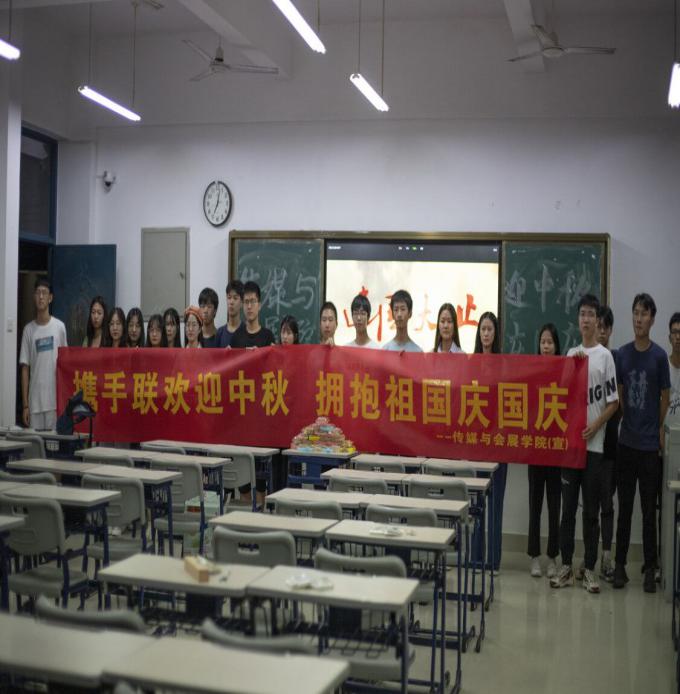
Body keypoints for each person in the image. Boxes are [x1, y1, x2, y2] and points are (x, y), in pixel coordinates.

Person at [550, 294, 619, 594]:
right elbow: (561, 395)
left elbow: (614, 403)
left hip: (595, 448)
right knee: (567, 511)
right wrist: (572, 367)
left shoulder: (605, 357)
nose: (586, 319)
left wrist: (596, 425)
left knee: (591, 511)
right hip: (571, 448)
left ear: (597, 320)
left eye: (591, 314)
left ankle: (589, 569)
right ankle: (566, 566)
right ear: (578, 320)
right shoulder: (571, 353)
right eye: (582, 314)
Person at [613, 293, 670, 592]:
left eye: (644, 314)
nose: (639, 319)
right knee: (624, 509)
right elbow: (620, 393)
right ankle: (620, 566)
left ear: (652, 319)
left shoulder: (659, 356)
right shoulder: (622, 354)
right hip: (626, 443)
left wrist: (655, 426)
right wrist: (631, 420)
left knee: (649, 511)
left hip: (649, 447)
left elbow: (665, 397)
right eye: (635, 312)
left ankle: (650, 567)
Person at [527, 323, 562, 578]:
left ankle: (552, 557)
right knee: (535, 504)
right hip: (535, 449)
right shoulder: (531, 370)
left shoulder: (564, 370)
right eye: (543, 342)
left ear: (556, 345)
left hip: (557, 450)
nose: (546, 346)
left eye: (550, 342)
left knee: (554, 506)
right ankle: (534, 556)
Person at [473, 311, 504, 570]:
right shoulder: (469, 363)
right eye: (482, 329)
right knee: (476, 502)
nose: (486, 333)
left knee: (496, 502)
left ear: (495, 333)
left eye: (490, 329)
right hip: (476, 443)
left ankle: (493, 560)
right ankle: (475, 557)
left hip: (500, 443)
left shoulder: (505, 365)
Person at [19, 279, 67, 430]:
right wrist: (25, 405)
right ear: (34, 297)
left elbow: (65, 365)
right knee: (36, 443)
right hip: (35, 404)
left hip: (54, 403)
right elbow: (25, 368)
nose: (41, 297)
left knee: (54, 443)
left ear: (50, 298)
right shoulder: (28, 330)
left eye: (44, 293)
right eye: (38, 293)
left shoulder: (59, 327)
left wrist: (64, 399)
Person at [596, 305, 619, 582]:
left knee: (607, 504)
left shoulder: (615, 360)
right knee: (590, 504)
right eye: (598, 326)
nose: (601, 331)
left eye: (605, 327)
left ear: (610, 330)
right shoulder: (585, 360)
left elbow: (618, 402)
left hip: (610, 443)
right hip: (589, 443)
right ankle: (590, 556)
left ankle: (606, 556)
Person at [229, 281, 276, 349]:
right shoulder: (236, 337)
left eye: (253, 301)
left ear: (259, 305)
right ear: (242, 305)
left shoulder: (268, 336)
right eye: (246, 302)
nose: (249, 306)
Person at [216, 280, 244, 348]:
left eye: (235, 298)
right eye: (229, 298)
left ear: (242, 303)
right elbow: (215, 354)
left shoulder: (247, 331)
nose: (231, 302)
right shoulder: (220, 333)